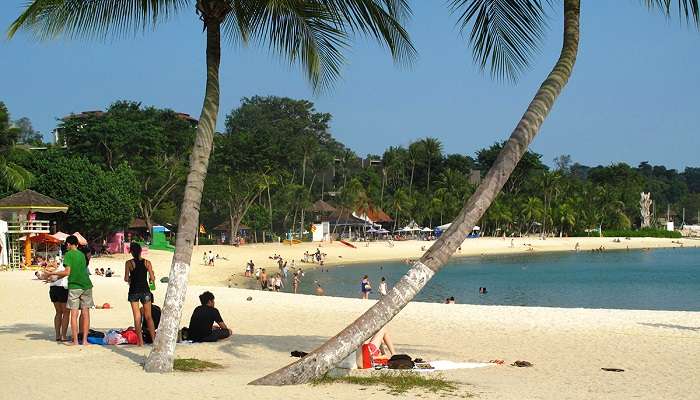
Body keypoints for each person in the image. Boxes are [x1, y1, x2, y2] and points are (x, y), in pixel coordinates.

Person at [47, 235, 93, 346]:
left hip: (75, 286)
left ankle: (76, 341)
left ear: (68, 244)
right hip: (87, 285)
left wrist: (53, 273)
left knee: (73, 314)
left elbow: (67, 272)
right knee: (86, 313)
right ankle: (85, 340)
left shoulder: (68, 254)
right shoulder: (82, 255)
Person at [124, 242, 156, 347]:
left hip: (133, 291)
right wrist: (151, 278)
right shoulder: (147, 262)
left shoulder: (129, 263)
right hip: (145, 291)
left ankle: (140, 342)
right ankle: (154, 340)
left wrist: (130, 279)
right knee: (149, 317)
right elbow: (152, 278)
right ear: (140, 251)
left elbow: (126, 278)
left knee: (137, 316)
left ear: (131, 252)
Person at [46, 260, 69, 342]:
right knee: (66, 313)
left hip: (53, 288)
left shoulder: (54, 269)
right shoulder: (66, 267)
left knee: (58, 312)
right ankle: (63, 336)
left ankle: (57, 335)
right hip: (62, 288)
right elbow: (66, 274)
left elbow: (48, 277)